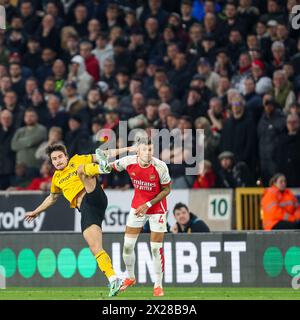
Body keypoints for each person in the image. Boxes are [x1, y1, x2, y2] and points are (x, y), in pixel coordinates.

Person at [24, 143, 134, 297]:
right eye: (54, 159)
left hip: (94, 194)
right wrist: (36, 212)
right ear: (52, 162)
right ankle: (114, 279)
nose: (58, 160)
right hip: (87, 210)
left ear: (66, 156)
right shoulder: (56, 179)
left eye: (60, 157)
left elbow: (104, 153)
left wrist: (127, 149)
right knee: (95, 247)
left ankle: (103, 168)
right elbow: (52, 198)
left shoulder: (77, 160)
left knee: (82, 169)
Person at [92, 136, 171, 297]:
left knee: (156, 248)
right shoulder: (129, 161)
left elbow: (167, 189)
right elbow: (109, 168)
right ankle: (130, 277)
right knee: (127, 246)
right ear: (138, 151)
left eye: (150, 149)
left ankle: (158, 285)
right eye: (144, 149)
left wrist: (148, 205)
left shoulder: (160, 166)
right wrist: (100, 164)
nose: (148, 153)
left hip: (157, 209)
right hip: (137, 206)